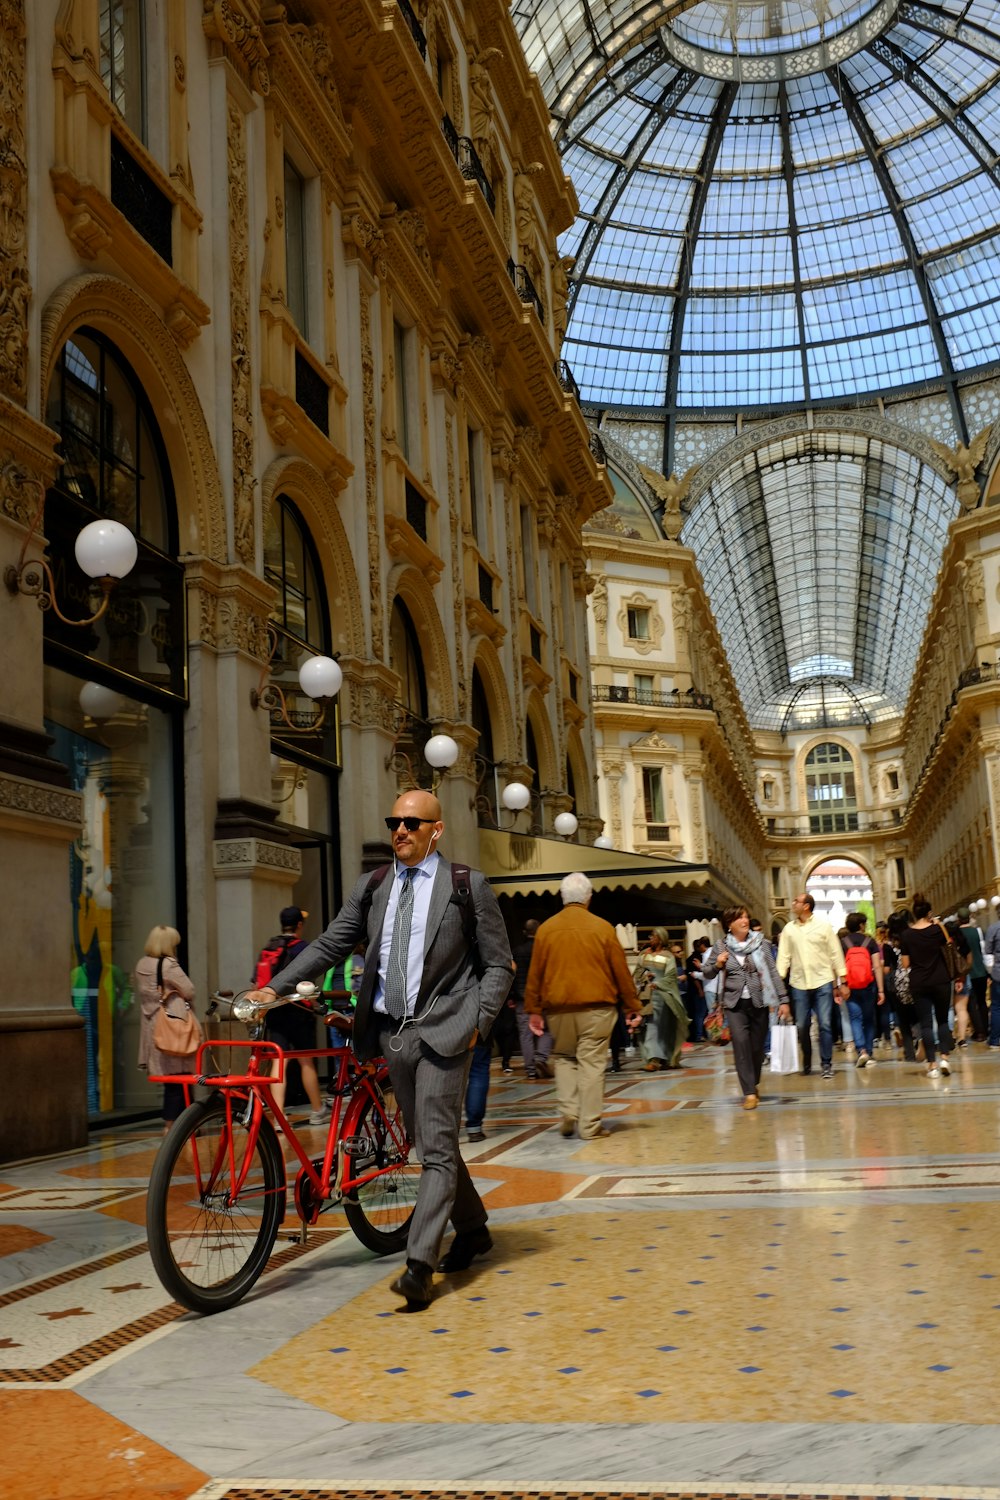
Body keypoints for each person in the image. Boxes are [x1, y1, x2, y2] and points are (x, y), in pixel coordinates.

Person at [247, 788, 514, 1310]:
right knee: (426, 1141)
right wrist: (273, 988)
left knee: (434, 1148)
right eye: (395, 821)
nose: (401, 830)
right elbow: (329, 944)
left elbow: (499, 963)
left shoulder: (466, 885)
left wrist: (479, 1021)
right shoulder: (373, 887)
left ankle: (419, 1265)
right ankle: (474, 1228)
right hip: (393, 1032)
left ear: (435, 830)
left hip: (447, 1029)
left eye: (413, 824)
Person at [523, 872, 641, 1138]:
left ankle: (569, 1110)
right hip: (597, 1009)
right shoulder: (602, 928)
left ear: (563, 897)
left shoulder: (546, 930)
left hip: (558, 1009)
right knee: (592, 1063)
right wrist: (632, 1005)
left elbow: (535, 973)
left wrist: (533, 1009)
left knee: (564, 1057)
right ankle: (589, 1125)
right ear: (588, 897)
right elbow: (620, 971)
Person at [706, 906, 790, 1109]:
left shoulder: (762, 943)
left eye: (746, 917)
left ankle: (753, 1082)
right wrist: (717, 964)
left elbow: (772, 971)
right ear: (730, 924)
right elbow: (707, 972)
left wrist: (783, 1000)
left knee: (756, 1048)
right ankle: (749, 1092)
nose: (745, 920)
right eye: (739, 918)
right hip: (734, 1005)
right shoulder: (721, 946)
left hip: (759, 1001)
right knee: (741, 1045)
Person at [254, 906, 329, 1127]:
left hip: (275, 1011)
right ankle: (317, 1110)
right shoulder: (302, 948)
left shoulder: (269, 947)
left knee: (279, 1061)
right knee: (306, 1061)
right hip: (298, 1010)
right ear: (298, 925)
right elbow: (309, 981)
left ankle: (279, 1116)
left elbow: (256, 982)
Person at [776, 891, 847, 1078]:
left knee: (825, 1023)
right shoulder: (788, 929)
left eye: (796, 901)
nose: (793, 904)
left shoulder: (823, 927)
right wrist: (778, 984)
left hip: (822, 980)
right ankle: (807, 1058)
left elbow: (835, 953)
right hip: (798, 983)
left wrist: (843, 980)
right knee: (801, 1025)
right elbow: (783, 957)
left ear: (806, 906)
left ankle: (826, 1063)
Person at [135, 925, 196, 1133]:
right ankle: (171, 1127)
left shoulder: (141, 964)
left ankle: (185, 1124)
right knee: (180, 1080)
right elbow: (189, 989)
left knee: (172, 1082)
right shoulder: (168, 965)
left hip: (153, 1024)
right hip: (174, 1022)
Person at [899, 895, 955, 1078]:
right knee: (943, 1020)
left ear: (914, 914)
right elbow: (949, 945)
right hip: (941, 980)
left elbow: (906, 964)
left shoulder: (906, 935)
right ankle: (945, 1058)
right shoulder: (937, 930)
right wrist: (939, 924)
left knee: (926, 1024)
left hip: (919, 983)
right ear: (929, 913)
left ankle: (932, 1065)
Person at [634, 927, 688, 1071]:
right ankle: (657, 1057)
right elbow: (636, 974)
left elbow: (670, 977)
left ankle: (655, 1059)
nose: (650, 938)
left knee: (658, 1026)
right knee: (649, 1026)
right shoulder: (644, 955)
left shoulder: (668, 956)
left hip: (663, 996)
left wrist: (658, 984)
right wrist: (645, 976)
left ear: (661, 938)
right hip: (646, 996)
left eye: (653, 936)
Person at [840, 912, 885, 1068]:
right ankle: (869, 1051)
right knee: (868, 1019)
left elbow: (837, 967)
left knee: (855, 1018)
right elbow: (877, 966)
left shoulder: (843, 942)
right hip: (868, 985)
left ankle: (861, 1051)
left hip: (850, 986)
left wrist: (840, 985)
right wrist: (881, 990)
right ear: (861, 925)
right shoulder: (870, 941)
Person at [511, 919, 552, 1078]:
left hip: (522, 998)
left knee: (525, 1034)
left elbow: (512, 976)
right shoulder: (544, 950)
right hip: (543, 997)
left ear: (524, 932)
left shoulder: (517, 951)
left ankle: (530, 1070)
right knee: (548, 1029)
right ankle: (541, 1057)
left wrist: (512, 996)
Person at [957, 906, 989, 1042]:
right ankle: (985, 1029)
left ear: (959, 919)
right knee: (982, 1002)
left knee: (971, 1004)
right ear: (969, 916)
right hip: (981, 971)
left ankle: (979, 1031)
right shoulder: (978, 931)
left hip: (968, 973)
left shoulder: (957, 934)